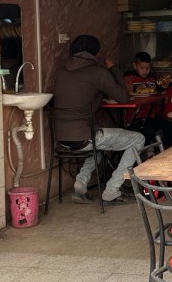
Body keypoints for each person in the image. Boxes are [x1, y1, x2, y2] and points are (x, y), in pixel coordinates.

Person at [51, 34, 145, 205]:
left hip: (62, 139)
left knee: (100, 146)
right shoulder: (97, 72)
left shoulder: (61, 71)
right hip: (85, 137)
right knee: (138, 138)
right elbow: (124, 97)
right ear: (95, 53)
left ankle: (81, 181)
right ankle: (112, 190)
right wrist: (113, 68)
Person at [122, 51, 172, 148]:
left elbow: (156, 94)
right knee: (149, 131)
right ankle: (143, 156)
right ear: (135, 66)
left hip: (151, 116)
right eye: (142, 68)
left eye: (148, 68)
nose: (145, 71)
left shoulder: (152, 78)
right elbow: (126, 94)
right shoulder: (129, 78)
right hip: (135, 118)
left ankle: (162, 152)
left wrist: (162, 93)